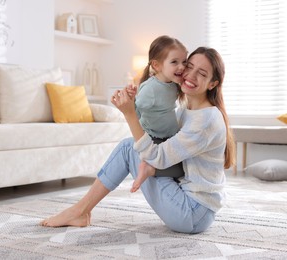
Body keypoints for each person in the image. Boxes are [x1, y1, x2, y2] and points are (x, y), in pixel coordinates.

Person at [40, 46, 236, 234]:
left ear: (213, 84)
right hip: (194, 208)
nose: (191, 75)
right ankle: (81, 211)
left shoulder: (206, 119)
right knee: (133, 148)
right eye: (189, 66)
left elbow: (158, 156)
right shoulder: (187, 112)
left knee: (128, 148)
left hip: (193, 212)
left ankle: (80, 211)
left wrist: (130, 115)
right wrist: (135, 106)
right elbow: (160, 145)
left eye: (202, 73)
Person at [131, 35, 188, 193]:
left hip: (169, 136)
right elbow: (136, 110)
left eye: (184, 61)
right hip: (155, 138)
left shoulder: (173, 83)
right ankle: (149, 169)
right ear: (156, 65)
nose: (182, 67)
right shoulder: (150, 89)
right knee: (181, 168)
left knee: (187, 166)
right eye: (174, 62)